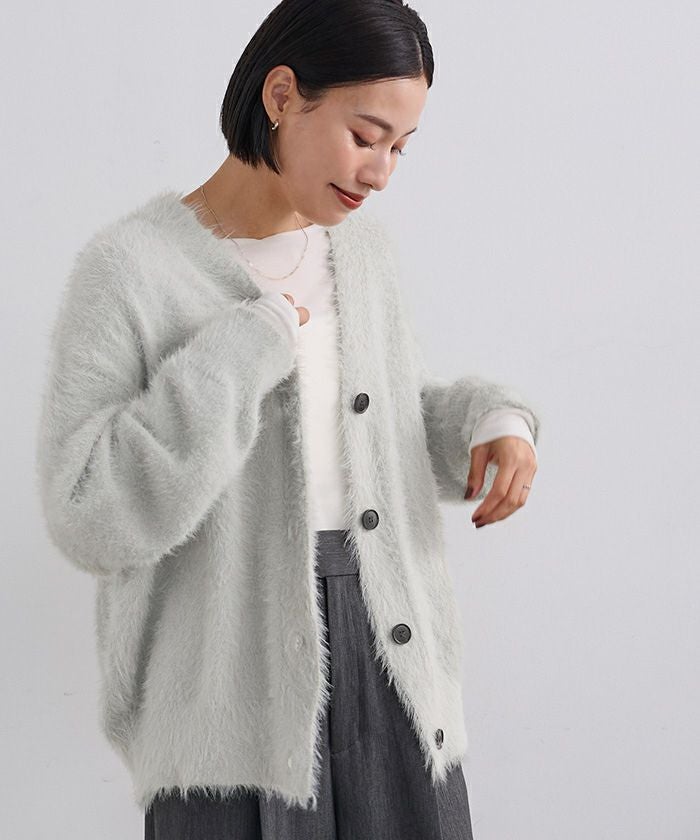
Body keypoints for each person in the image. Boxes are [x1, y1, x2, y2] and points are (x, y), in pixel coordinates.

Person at [35, 1, 541, 837]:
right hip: (221, 703)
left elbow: (390, 419)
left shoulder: (363, 256)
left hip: (392, 652)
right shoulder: (130, 270)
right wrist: (244, 350)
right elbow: (89, 516)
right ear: (281, 96)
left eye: (400, 148)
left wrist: (490, 421)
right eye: (365, 135)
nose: (380, 173)